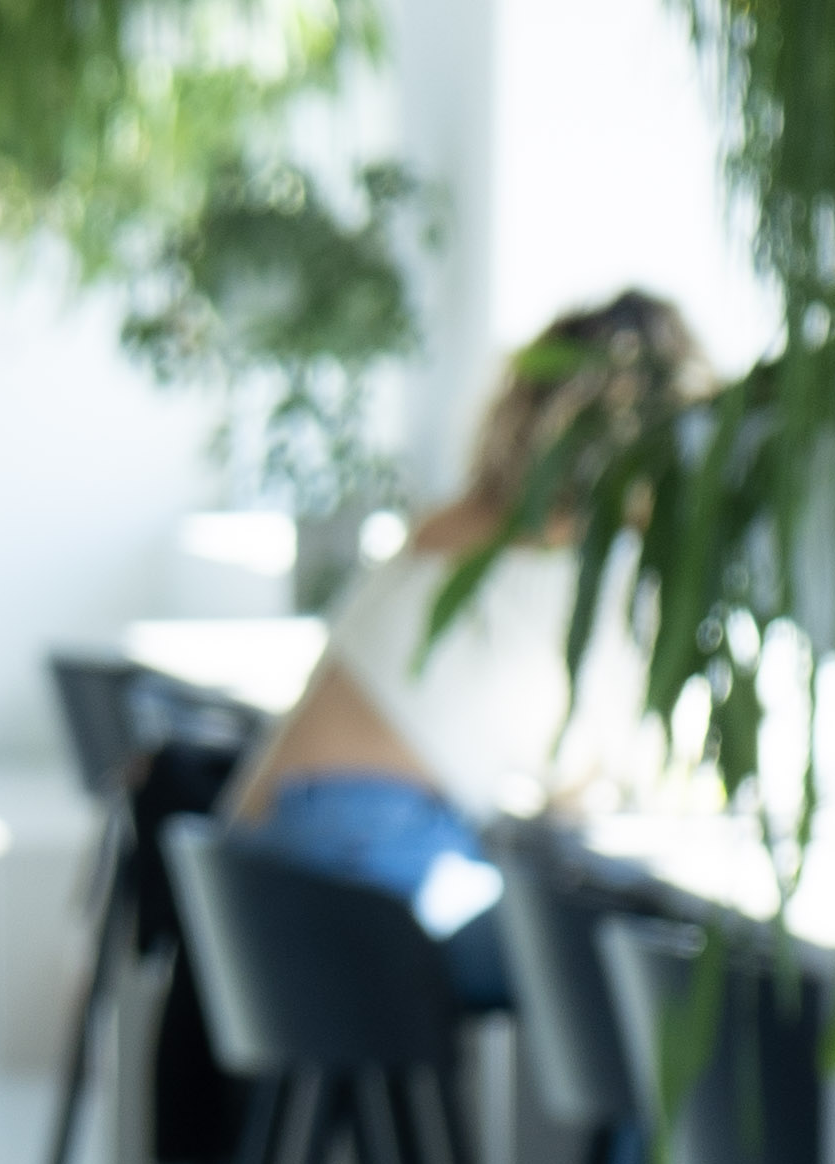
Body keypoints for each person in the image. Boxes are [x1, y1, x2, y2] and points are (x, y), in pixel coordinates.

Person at [225, 290, 712, 993]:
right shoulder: (579, 565)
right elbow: (601, 771)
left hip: (265, 880)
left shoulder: (446, 529)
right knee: (623, 974)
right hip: (363, 886)